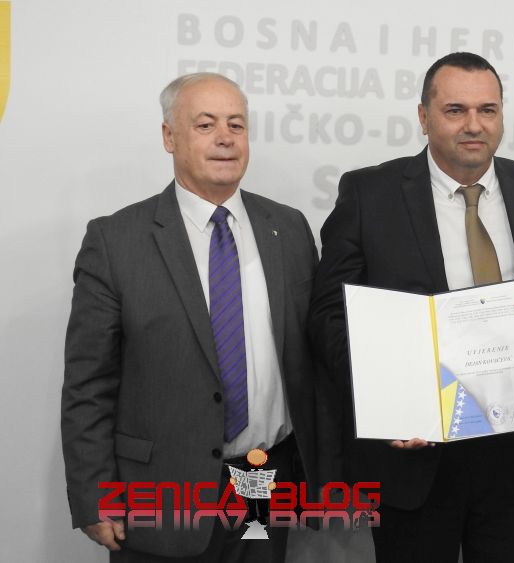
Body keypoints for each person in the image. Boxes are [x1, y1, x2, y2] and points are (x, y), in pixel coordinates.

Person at [308, 52, 514, 562]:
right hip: (415, 454)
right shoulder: (370, 193)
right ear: (424, 117)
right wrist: (389, 401)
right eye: (455, 110)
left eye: (487, 110)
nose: (474, 125)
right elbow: (329, 317)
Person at [61, 72, 325, 562]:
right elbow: (88, 384)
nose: (225, 137)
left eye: (236, 125)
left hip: (263, 480)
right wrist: (95, 494)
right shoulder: (116, 241)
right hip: (160, 495)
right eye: (205, 125)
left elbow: (314, 355)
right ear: (169, 136)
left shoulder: (288, 229)